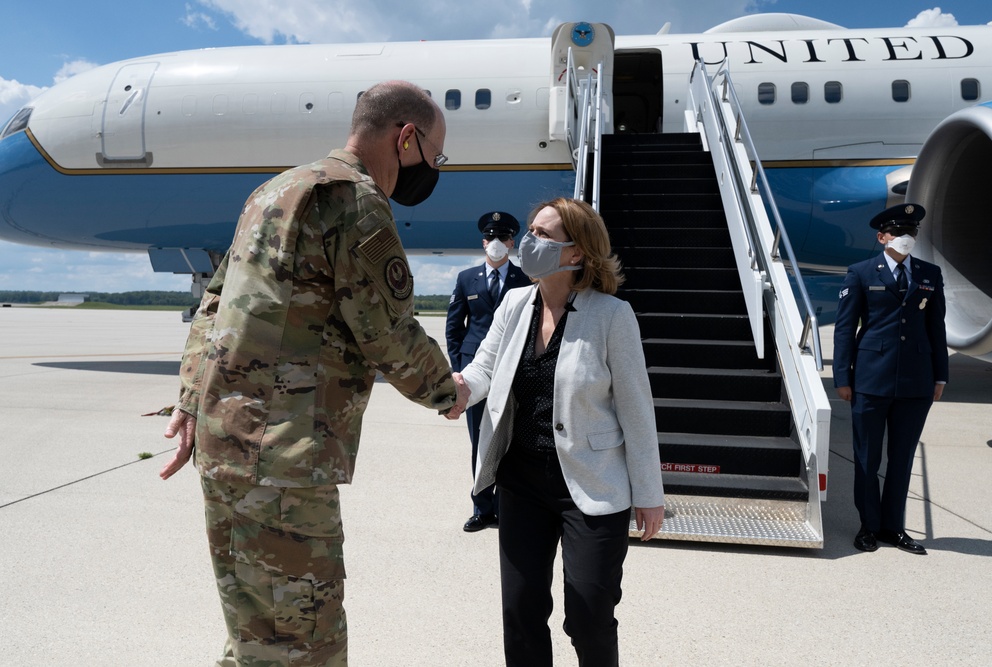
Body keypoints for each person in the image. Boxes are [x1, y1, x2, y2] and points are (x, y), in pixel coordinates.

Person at [158, 80, 469, 667]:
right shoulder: (354, 201)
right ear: (406, 138)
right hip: (284, 461)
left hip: (228, 447)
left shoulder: (272, 191)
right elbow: (387, 331)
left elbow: (214, 306)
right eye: (436, 155)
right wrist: (446, 391)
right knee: (304, 641)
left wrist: (192, 399)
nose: (433, 168)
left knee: (255, 631)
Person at [452, 197, 665, 666]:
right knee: (521, 612)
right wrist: (459, 388)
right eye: (530, 230)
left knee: (589, 616)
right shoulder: (514, 304)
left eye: (543, 234)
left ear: (577, 253)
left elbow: (636, 410)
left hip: (591, 482)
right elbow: (485, 367)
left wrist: (650, 492)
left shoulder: (612, 316)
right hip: (521, 479)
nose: (529, 240)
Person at [833, 202, 948, 555]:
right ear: (882, 236)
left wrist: (940, 375)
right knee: (867, 458)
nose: (905, 238)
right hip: (870, 379)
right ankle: (868, 526)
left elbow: (936, 328)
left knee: (902, 458)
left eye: (911, 232)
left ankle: (893, 528)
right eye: (898, 232)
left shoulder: (929, 274)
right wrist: (842, 376)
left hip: (916, 380)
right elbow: (844, 328)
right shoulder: (861, 272)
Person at [445, 211, 532, 532]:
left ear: (512, 243)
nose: (496, 244)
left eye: (503, 239)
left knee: (511, 442)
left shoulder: (525, 280)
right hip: (475, 373)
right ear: (484, 242)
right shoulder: (467, 278)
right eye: (491, 238)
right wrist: (460, 371)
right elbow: (454, 328)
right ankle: (482, 508)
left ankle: (509, 507)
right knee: (479, 441)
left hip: (513, 371)